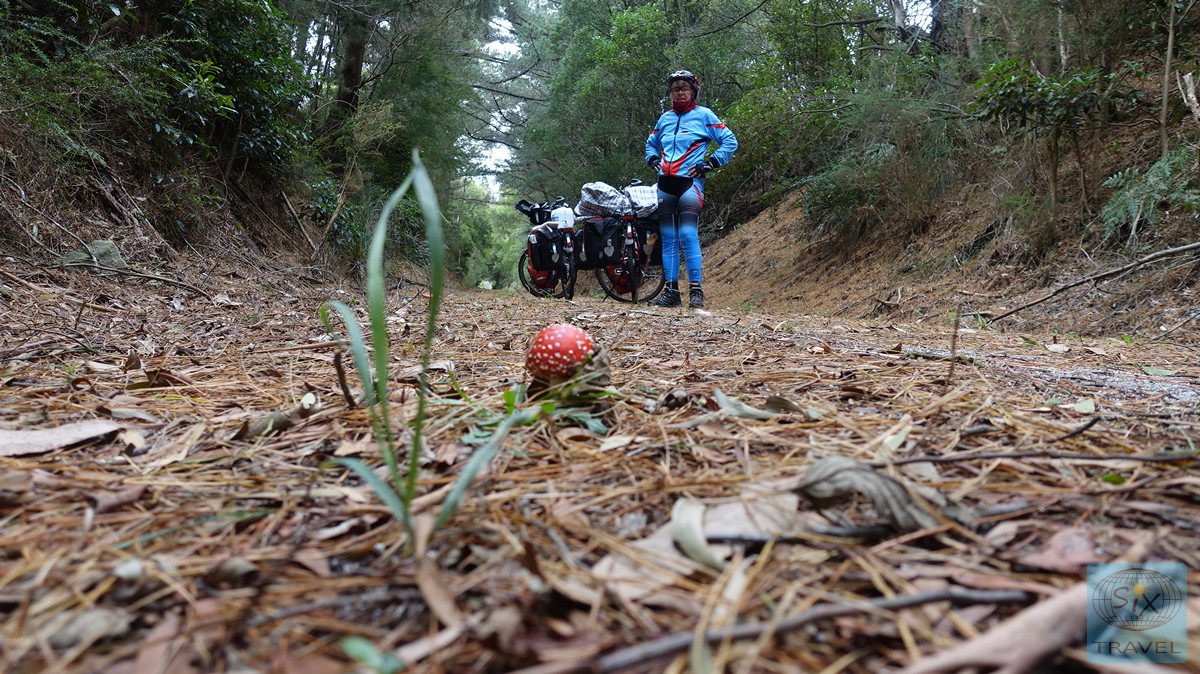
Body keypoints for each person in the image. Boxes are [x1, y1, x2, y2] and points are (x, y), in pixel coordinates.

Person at [644, 69, 738, 309]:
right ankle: (672, 293)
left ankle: (696, 290)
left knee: (687, 234)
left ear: (693, 91)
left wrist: (712, 162)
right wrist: (652, 158)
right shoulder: (664, 119)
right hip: (665, 185)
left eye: (684, 88)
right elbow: (651, 144)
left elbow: (730, 141)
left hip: (690, 183)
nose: (679, 92)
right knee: (669, 238)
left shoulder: (704, 115)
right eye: (675, 89)